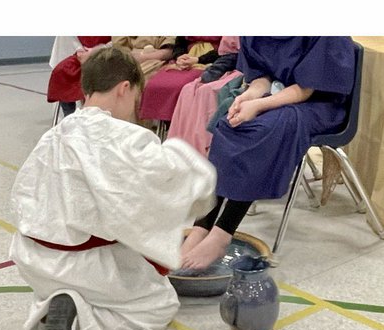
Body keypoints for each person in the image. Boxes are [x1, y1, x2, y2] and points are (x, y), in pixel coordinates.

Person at [11, 45, 217, 330]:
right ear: (125, 88)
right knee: (159, 304)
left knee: (108, 252)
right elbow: (188, 180)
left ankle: (55, 304)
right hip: (84, 267)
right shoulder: (125, 138)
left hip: (33, 260)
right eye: (136, 97)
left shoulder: (52, 135)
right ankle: (83, 316)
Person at [181, 38, 360, 271]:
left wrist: (260, 106)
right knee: (229, 124)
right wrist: (249, 96)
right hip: (279, 95)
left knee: (261, 132)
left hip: (319, 103)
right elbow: (262, 76)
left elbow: (306, 89)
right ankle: (202, 226)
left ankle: (222, 233)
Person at [166, 37, 242, 158]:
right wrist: (179, 56)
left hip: (239, 69)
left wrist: (201, 62)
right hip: (218, 64)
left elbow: (235, 55)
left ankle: (202, 153)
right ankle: (179, 150)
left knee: (206, 92)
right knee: (188, 89)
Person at [138, 38, 223, 124]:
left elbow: (228, 50)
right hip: (186, 58)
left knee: (181, 87)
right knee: (154, 85)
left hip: (213, 61)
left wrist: (199, 59)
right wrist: (179, 57)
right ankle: (163, 123)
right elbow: (180, 43)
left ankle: (180, 125)